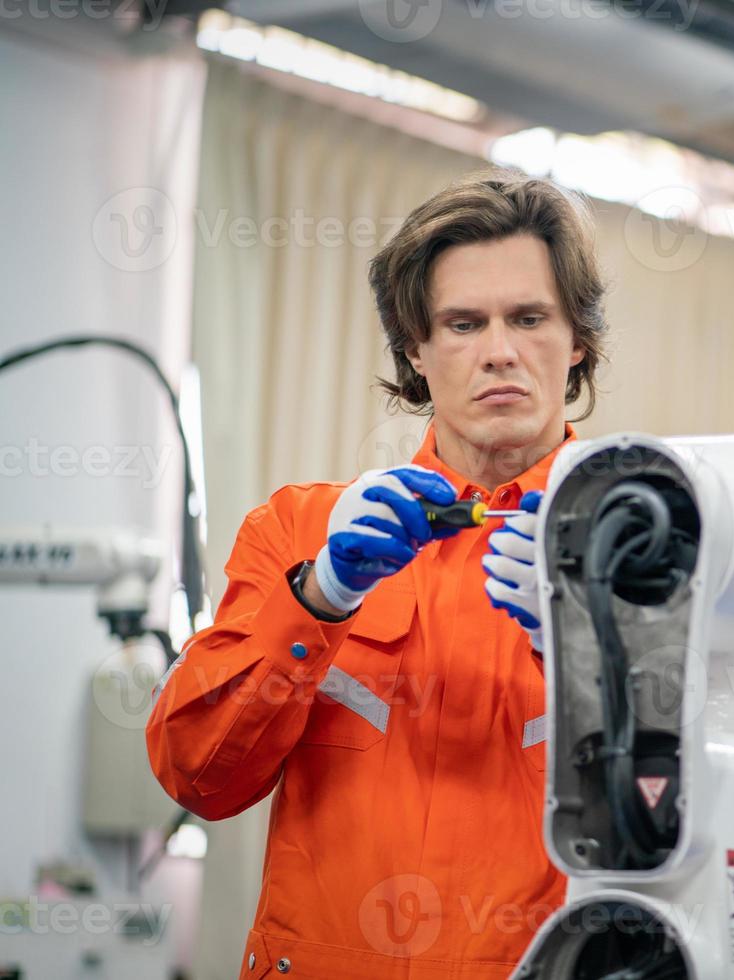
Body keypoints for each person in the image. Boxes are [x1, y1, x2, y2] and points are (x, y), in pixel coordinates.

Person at [147, 169, 608, 978]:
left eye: (529, 318)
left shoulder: (654, 542)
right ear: (416, 353)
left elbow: (713, 816)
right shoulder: (297, 531)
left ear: (577, 341)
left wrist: (596, 649)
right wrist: (318, 597)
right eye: (462, 324)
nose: (499, 351)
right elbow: (198, 776)